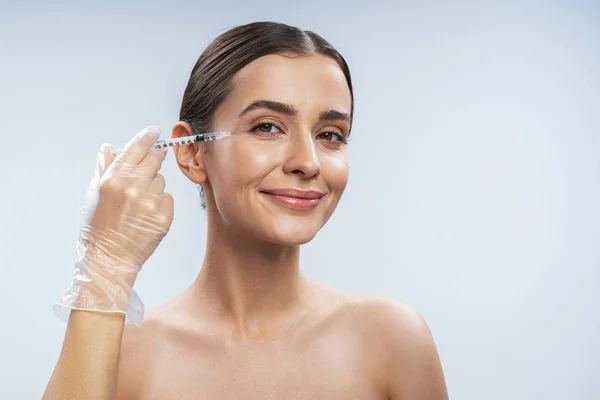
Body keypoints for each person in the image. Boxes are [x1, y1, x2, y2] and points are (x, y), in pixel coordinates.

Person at [43, 21, 448, 399]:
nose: (308, 162)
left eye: (330, 134)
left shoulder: (392, 342)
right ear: (192, 152)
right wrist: (105, 270)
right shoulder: (121, 359)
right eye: (267, 127)